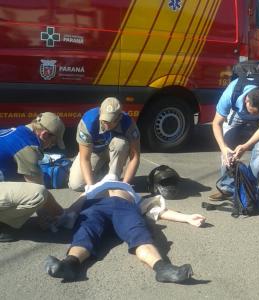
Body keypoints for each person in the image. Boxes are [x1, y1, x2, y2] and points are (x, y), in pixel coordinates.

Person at [45, 176, 206, 283]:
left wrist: (187, 217)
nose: (112, 176)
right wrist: (64, 217)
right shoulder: (91, 188)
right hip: (95, 208)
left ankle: (162, 268)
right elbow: (76, 206)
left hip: (124, 208)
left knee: (139, 235)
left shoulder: (130, 190)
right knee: (85, 230)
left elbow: (157, 210)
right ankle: (69, 264)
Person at [0, 112, 67, 241]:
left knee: (23, 181)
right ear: (44, 135)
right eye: (53, 142)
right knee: (39, 194)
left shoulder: (17, 132)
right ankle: (4, 224)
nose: (52, 146)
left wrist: (42, 214)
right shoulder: (27, 147)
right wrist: (63, 215)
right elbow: (38, 189)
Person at [208, 79, 259, 200]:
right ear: (246, 100)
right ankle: (227, 188)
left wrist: (245, 146)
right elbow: (216, 124)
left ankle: (249, 189)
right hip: (237, 114)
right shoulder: (231, 93)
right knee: (227, 148)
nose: (252, 116)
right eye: (252, 112)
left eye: (255, 113)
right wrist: (224, 149)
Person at [68, 97, 141, 191]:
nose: (106, 124)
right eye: (104, 120)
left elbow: (135, 157)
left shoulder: (128, 124)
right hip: (94, 151)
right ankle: (103, 170)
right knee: (76, 185)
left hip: (116, 150)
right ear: (100, 113)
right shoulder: (88, 122)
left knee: (121, 144)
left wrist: (125, 185)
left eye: (110, 121)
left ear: (119, 118)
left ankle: (113, 178)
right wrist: (91, 188)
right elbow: (85, 158)